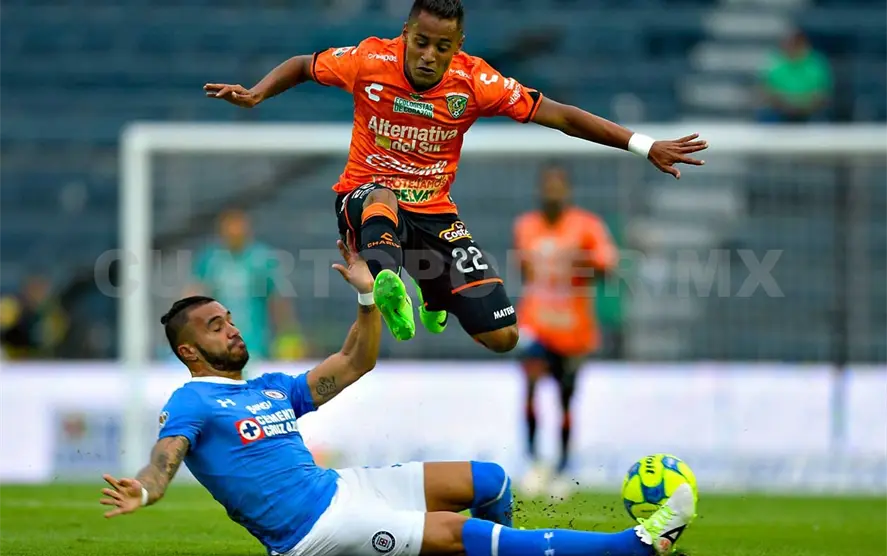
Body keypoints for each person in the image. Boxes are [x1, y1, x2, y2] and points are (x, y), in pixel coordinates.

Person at [99, 236, 697, 556]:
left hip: (339, 491)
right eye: (215, 326)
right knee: (456, 534)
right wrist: (146, 489)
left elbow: (355, 361)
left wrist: (366, 297)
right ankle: (636, 548)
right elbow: (165, 457)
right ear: (189, 350)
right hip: (314, 533)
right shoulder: (193, 400)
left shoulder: (268, 389)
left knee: (490, 482)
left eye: (229, 318)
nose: (232, 328)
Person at [204, 0, 708, 353]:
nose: (429, 55)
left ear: (457, 46)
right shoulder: (369, 60)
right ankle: (389, 283)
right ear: (405, 34)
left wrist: (643, 144)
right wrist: (257, 92)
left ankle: (431, 290)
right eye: (421, 42)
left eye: (441, 47)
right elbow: (302, 64)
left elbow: (559, 115)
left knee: (503, 337)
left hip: (435, 215)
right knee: (381, 197)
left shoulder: (476, 80)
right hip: (365, 197)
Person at [513, 165, 619, 499]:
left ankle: (561, 468)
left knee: (565, 398)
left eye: (558, 186)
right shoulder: (526, 226)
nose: (552, 193)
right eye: (548, 186)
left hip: (573, 328)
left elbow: (608, 266)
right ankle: (534, 463)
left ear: (568, 192)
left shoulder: (586, 227)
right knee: (530, 387)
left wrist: (582, 262)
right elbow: (526, 271)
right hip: (536, 323)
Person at [187, 209, 304, 365]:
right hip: (218, 343)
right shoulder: (210, 260)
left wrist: (287, 332)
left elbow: (277, 300)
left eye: (239, 226)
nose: (234, 232)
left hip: (255, 343)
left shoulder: (263, 259)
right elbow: (194, 296)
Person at [758, 29, 832, 123]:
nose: (792, 47)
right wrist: (786, 106)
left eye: (796, 44)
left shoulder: (816, 64)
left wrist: (802, 106)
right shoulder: (773, 64)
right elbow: (766, 92)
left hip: (810, 112)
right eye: (789, 44)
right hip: (779, 111)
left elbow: (822, 94)